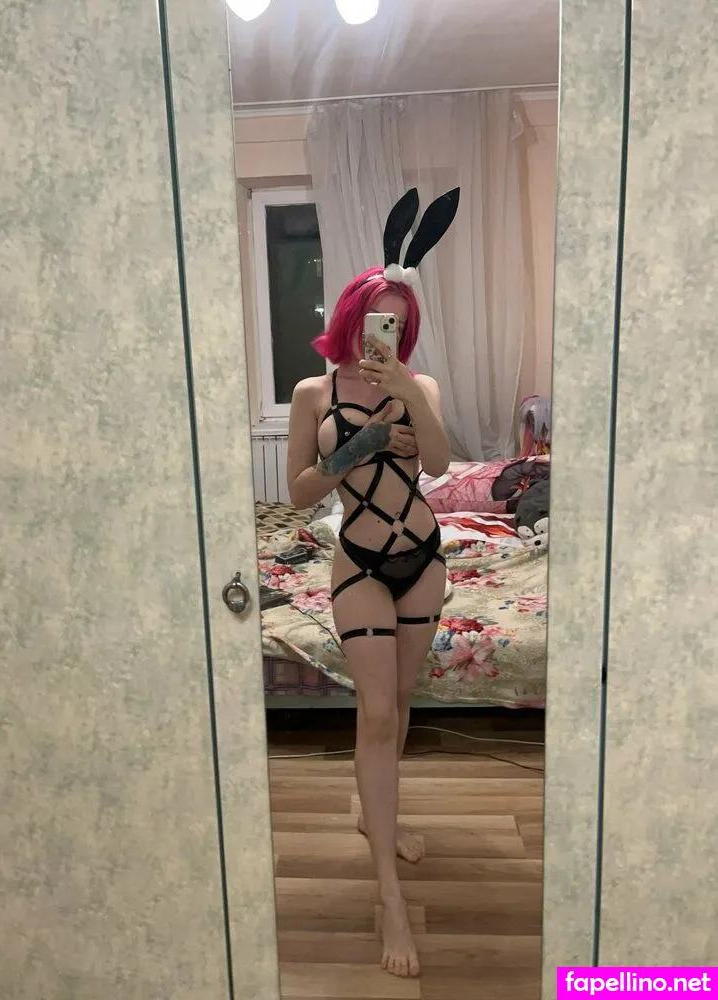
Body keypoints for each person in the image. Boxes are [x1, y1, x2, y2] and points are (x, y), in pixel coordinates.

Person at [285, 184, 459, 980]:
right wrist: (357, 448)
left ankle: (375, 810)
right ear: (351, 315)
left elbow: (442, 465)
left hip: (422, 556)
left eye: (395, 322)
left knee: (400, 702)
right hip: (358, 559)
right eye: (372, 318)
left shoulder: (418, 389)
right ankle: (389, 894)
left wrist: (405, 394)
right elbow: (298, 491)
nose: (379, 332)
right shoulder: (313, 393)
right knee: (378, 710)